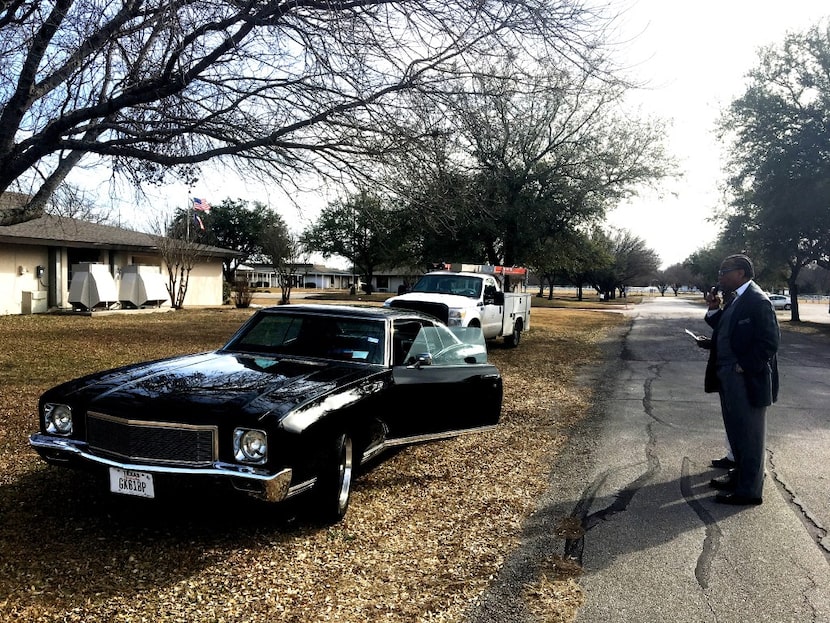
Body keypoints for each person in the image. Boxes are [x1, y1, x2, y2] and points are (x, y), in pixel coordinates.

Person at [700, 254, 780, 505]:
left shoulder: (757, 301)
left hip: (746, 381)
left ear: (741, 273)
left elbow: (769, 343)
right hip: (727, 377)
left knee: (750, 437)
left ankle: (749, 491)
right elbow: (725, 328)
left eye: (725, 271)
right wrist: (713, 309)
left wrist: (742, 367)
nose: (720, 276)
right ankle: (739, 477)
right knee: (736, 433)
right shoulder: (736, 299)